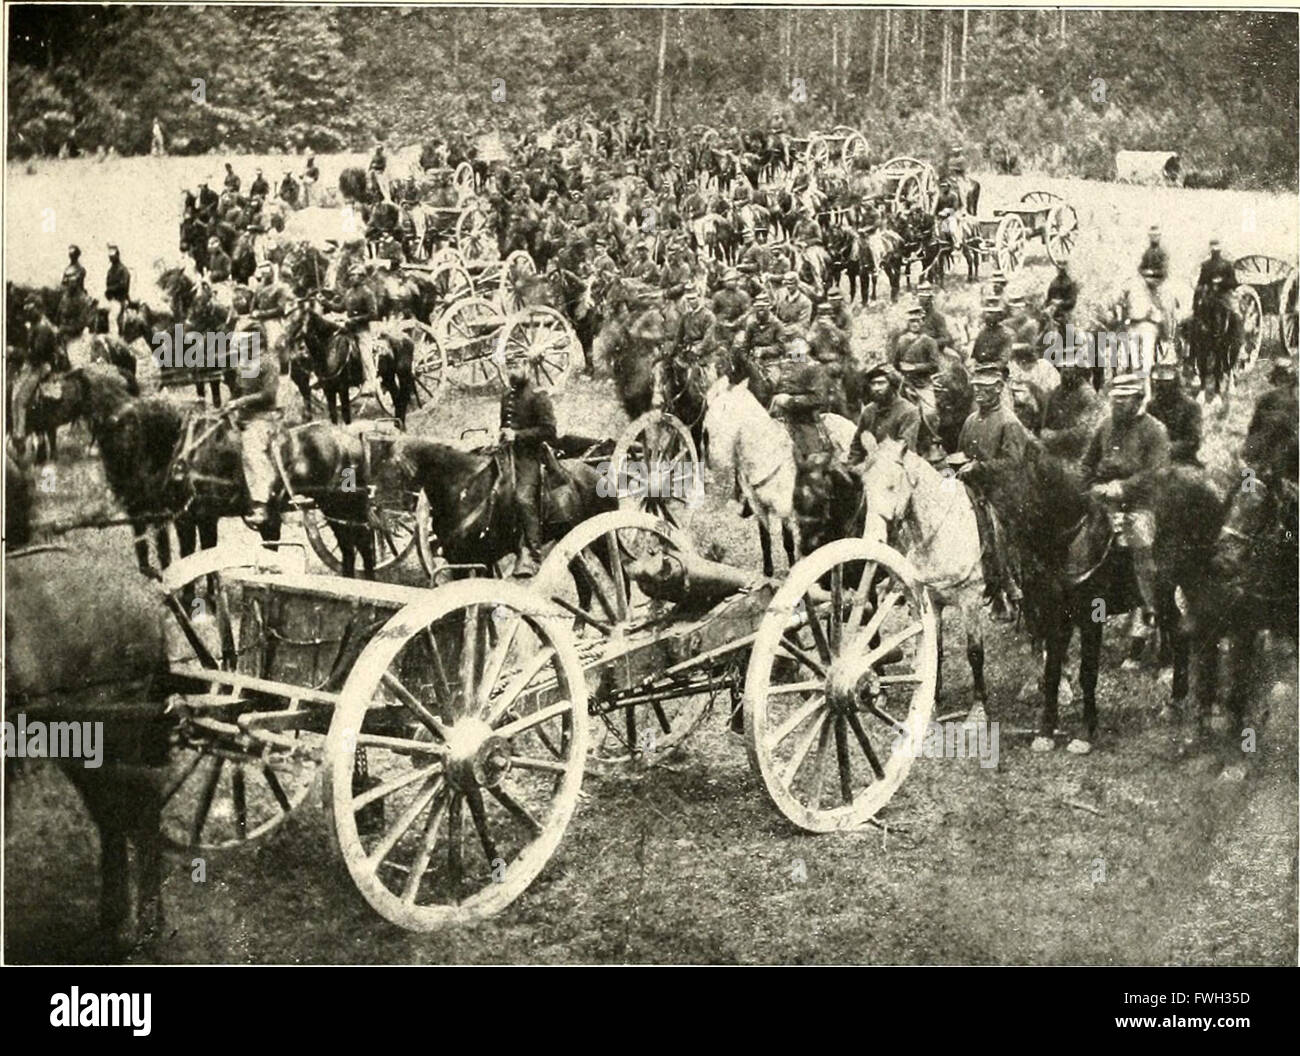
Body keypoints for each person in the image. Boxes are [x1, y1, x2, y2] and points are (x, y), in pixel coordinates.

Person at [1082, 373, 1171, 665]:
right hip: (1103, 499)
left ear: (1138, 400)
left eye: (1125, 399)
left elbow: (1157, 472)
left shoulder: (1154, 430)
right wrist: (1085, 486)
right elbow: (1088, 462)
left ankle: (1151, 610)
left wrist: (1123, 487)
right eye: (1114, 398)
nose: (1118, 404)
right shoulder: (1105, 426)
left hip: (1141, 502)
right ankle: (1090, 607)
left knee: (1139, 545)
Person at [956, 364, 1030, 621]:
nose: (979, 393)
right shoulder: (971, 420)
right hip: (974, 487)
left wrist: (980, 467)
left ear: (998, 389)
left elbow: (1014, 464)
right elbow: (962, 450)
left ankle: (1008, 585)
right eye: (976, 388)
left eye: (985, 389)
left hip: (1004, 492)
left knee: (995, 529)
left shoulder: (1009, 422)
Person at [500, 363, 557, 577]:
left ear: (526, 367)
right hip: (507, 454)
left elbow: (549, 430)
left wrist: (518, 435)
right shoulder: (507, 395)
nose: (512, 371)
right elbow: (504, 425)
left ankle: (533, 554)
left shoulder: (537, 395)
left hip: (530, 456)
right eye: (509, 366)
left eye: (517, 365)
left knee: (523, 498)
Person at [222, 333, 282, 528]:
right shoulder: (249, 363)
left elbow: (268, 395)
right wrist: (228, 404)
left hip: (264, 418)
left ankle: (261, 504)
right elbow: (240, 390)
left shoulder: (269, 363)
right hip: (244, 417)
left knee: (252, 452)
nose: (242, 348)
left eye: (246, 344)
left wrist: (239, 402)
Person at [849, 364, 921, 461]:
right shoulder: (869, 411)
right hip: (870, 464)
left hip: (897, 465)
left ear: (892, 385)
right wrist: (852, 465)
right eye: (873, 384)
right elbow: (857, 445)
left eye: (881, 383)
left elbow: (904, 448)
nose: (876, 388)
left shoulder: (909, 411)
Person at [1146, 362, 1202, 464]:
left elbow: (1193, 441)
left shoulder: (1190, 407)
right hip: (1155, 461)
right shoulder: (1151, 407)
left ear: (1175, 383)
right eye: (1158, 382)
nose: (1160, 387)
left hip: (1183, 462)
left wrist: (1169, 448)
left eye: (1165, 383)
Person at [970, 295, 1013, 370]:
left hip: (997, 371)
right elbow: (975, 356)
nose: (987, 316)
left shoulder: (1005, 334)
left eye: (991, 313)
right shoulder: (982, 332)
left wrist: (991, 367)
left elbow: (1003, 360)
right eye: (987, 312)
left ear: (999, 316)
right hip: (979, 370)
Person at [774, 270, 813, 335]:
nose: (788, 286)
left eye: (791, 284)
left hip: (796, 334)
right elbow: (774, 314)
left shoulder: (805, 302)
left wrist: (784, 330)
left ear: (797, 284)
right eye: (786, 284)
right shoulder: (780, 295)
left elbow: (803, 324)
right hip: (780, 331)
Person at [104, 244, 131, 335]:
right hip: (112, 300)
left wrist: (111, 289)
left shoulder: (123, 270)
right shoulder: (110, 271)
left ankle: (115, 339)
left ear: (117, 255)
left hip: (120, 300)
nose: (111, 258)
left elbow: (123, 285)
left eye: (113, 256)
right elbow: (107, 284)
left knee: (112, 317)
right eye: (110, 257)